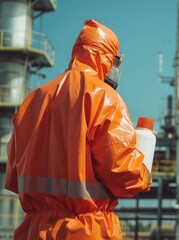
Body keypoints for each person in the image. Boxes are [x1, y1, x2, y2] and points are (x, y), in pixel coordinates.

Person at [5, 19, 152, 239]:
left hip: (34, 230)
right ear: (108, 58)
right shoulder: (104, 98)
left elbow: (14, 178)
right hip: (86, 229)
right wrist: (145, 174)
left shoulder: (32, 100)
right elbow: (123, 175)